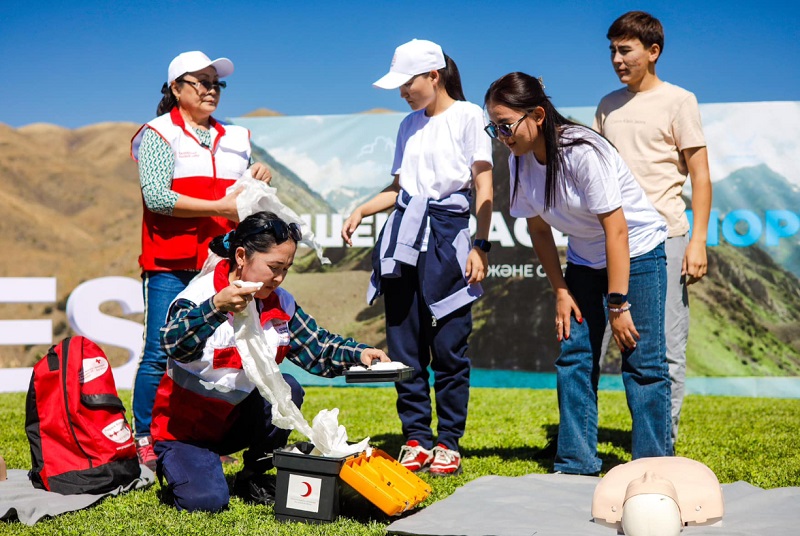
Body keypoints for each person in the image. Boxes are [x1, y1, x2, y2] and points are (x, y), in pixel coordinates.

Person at [484, 72, 672, 475]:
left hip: (637, 253)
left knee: (642, 361)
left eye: (505, 125)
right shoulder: (518, 161)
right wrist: (561, 290)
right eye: (494, 127)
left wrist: (618, 303)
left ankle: (653, 468)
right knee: (574, 356)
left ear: (537, 115)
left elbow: (616, 230)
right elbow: (538, 230)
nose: (501, 136)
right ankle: (575, 464)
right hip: (585, 262)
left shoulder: (583, 150)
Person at [151, 211, 390, 512]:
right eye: (274, 268)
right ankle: (179, 463)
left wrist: (359, 354)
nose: (278, 278)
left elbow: (317, 347)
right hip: (186, 433)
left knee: (288, 387)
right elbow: (173, 345)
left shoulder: (281, 302)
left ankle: (253, 475)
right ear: (241, 256)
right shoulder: (198, 296)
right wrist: (215, 308)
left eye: (286, 269)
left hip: (235, 424)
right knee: (206, 502)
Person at [341, 39, 493, 476]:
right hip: (402, 242)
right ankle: (416, 439)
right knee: (405, 346)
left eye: (408, 83)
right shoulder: (407, 124)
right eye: (400, 86)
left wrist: (481, 244)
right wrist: (362, 210)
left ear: (434, 75)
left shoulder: (468, 115)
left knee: (449, 346)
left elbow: (483, 185)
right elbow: (399, 190)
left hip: (449, 239)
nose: (404, 92)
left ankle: (448, 442)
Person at [129, 51, 272, 470]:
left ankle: (196, 436)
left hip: (219, 261)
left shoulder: (238, 137)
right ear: (176, 88)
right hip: (169, 262)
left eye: (217, 83)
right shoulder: (158, 133)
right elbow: (157, 197)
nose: (212, 89)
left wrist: (258, 175)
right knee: (160, 350)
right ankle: (145, 437)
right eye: (201, 82)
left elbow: (243, 198)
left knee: (206, 352)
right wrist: (219, 205)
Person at [594, 11, 712, 442]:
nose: (617, 59)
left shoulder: (679, 101)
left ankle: (663, 442)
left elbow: (701, 176)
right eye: (612, 50)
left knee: (665, 346)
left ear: (653, 51)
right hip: (612, 239)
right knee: (595, 345)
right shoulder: (607, 105)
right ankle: (586, 443)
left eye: (626, 50)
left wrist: (698, 241)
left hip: (666, 237)